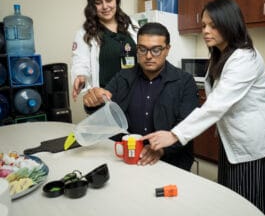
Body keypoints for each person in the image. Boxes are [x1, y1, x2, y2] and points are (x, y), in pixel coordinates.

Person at [142, 0, 265, 216]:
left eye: (213, 25)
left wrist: (175, 134)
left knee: (251, 204)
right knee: (231, 198)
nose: (206, 31)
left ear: (229, 24)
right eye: (204, 25)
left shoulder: (245, 58)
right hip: (232, 141)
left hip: (252, 144)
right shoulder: (220, 55)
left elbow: (216, 106)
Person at [82, 22, 199, 171]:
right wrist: (91, 101)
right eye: (142, 49)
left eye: (156, 50)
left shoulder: (184, 82)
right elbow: (103, 109)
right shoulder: (122, 77)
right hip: (128, 159)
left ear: (167, 49)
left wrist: (162, 150)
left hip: (170, 163)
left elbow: (188, 126)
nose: (148, 56)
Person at [71, 0, 138, 101]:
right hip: (107, 97)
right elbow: (80, 61)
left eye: (109, 0)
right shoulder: (85, 32)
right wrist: (80, 76)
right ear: (92, 6)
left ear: (116, 0)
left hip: (136, 93)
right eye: (98, 3)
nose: (105, 6)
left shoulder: (131, 24)